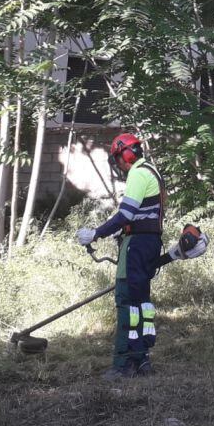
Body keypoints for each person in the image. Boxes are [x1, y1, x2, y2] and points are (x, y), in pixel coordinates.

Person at [76, 133, 165, 379]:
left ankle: (123, 364)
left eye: (118, 159)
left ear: (126, 154)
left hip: (136, 246)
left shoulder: (138, 172)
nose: (119, 165)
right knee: (141, 303)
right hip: (151, 242)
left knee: (126, 301)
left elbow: (126, 215)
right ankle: (142, 359)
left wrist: (96, 233)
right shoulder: (153, 172)